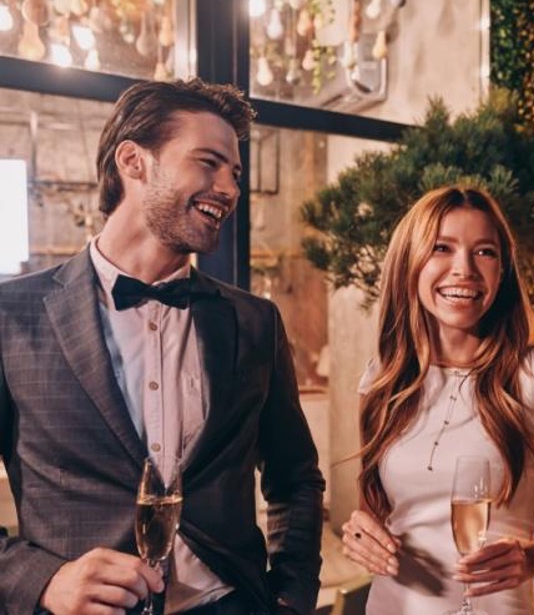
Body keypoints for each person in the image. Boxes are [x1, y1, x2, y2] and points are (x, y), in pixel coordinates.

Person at [0, 79, 325, 614]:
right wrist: (44, 582)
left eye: (235, 173)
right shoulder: (12, 315)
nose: (229, 189)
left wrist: (291, 596)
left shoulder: (255, 321)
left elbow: (295, 478)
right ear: (133, 161)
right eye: (208, 163)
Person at [340, 186, 534, 614]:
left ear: (503, 272)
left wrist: (533, 558)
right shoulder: (383, 379)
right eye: (442, 248)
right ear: (411, 262)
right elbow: (373, 511)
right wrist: (360, 536)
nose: (464, 269)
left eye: (484, 252)